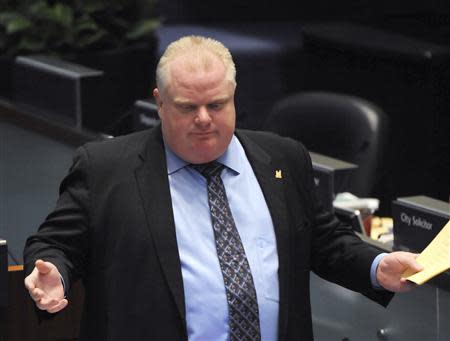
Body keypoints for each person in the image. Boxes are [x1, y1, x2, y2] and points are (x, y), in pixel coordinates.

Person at [24, 35, 422, 341]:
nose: (203, 119)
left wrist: (374, 265)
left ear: (234, 97)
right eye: (186, 107)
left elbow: (323, 239)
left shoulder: (283, 158)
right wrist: (53, 272)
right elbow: (56, 243)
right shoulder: (105, 168)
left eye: (216, 105)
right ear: (160, 102)